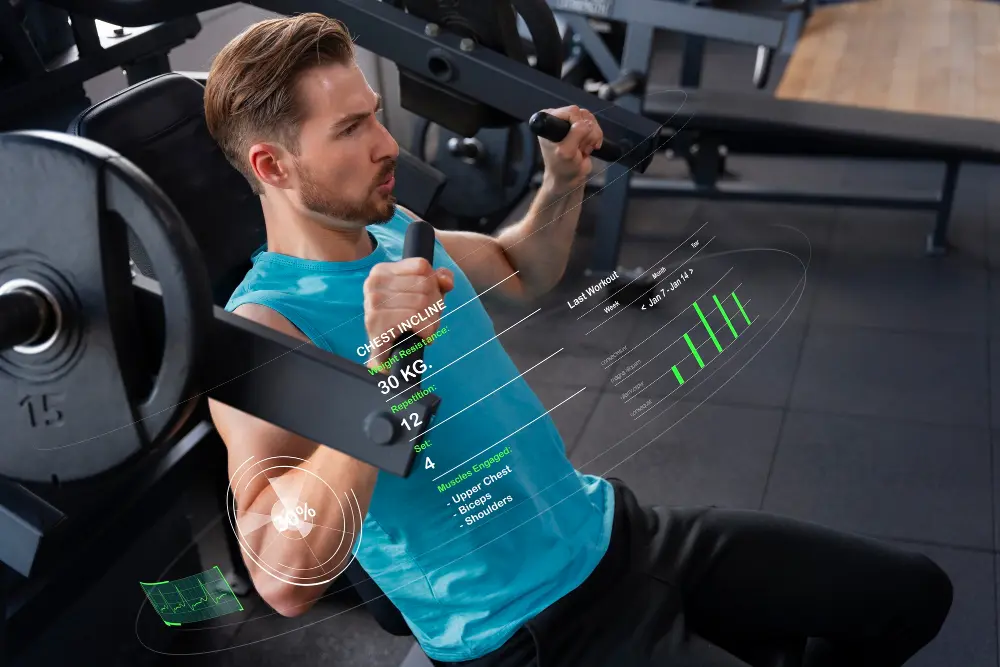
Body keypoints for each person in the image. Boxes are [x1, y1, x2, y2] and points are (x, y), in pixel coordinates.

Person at [204, 13, 953, 667]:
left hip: (619, 532)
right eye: (351, 129)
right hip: (531, 629)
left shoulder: (393, 230)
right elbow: (280, 573)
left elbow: (520, 268)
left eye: (373, 114)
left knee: (912, 594)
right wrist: (388, 372)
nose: (385, 141)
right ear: (273, 165)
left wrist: (560, 185)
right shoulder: (263, 330)